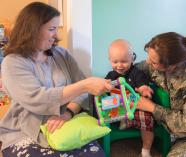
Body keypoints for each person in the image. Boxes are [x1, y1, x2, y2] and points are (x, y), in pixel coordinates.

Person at [0, 2, 113, 157]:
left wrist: (68, 113)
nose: (56, 35)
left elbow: (83, 92)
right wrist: (84, 85)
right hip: (24, 132)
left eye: (57, 29)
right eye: (52, 29)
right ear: (33, 30)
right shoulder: (13, 63)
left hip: (67, 124)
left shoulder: (61, 54)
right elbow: (37, 98)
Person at [135, 32, 186, 157]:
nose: (148, 62)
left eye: (153, 62)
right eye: (148, 57)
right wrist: (103, 81)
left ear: (171, 66)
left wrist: (151, 107)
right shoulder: (155, 64)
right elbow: (131, 72)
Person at [105, 39, 154, 157]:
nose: (119, 65)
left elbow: (142, 85)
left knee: (146, 117)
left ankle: (146, 150)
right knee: (103, 105)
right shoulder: (111, 75)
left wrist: (144, 89)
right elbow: (105, 88)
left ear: (132, 59)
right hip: (118, 106)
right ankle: (123, 121)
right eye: (115, 61)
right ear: (110, 60)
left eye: (124, 61)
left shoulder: (136, 73)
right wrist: (104, 87)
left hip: (135, 106)